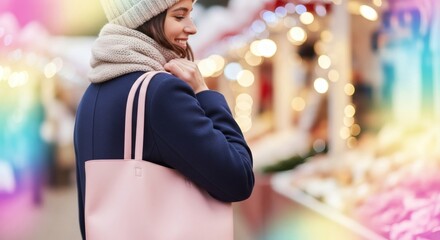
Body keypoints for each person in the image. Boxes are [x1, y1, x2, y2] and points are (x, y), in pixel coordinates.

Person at [73, 0, 255, 238]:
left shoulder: (93, 93)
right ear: (144, 20)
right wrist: (204, 92)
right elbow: (237, 178)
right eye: (179, 17)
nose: (192, 28)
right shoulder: (161, 92)